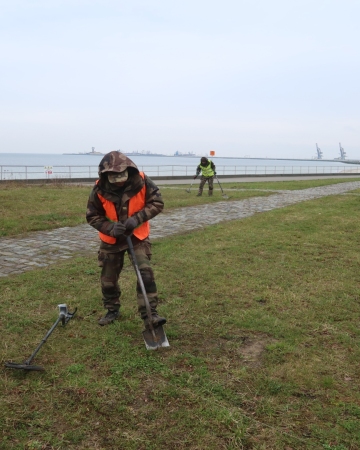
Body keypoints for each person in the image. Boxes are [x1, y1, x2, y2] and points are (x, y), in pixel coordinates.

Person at [86, 150, 166, 329]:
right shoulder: (99, 189)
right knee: (108, 279)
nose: (119, 180)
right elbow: (92, 216)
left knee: (145, 274)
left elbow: (157, 203)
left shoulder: (143, 181)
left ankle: (150, 315)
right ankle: (112, 309)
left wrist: (136, 219)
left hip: (137, 236)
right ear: (106, 175)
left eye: (122, 175)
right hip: (111, 240)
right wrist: (111, 228)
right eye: (114, 177)